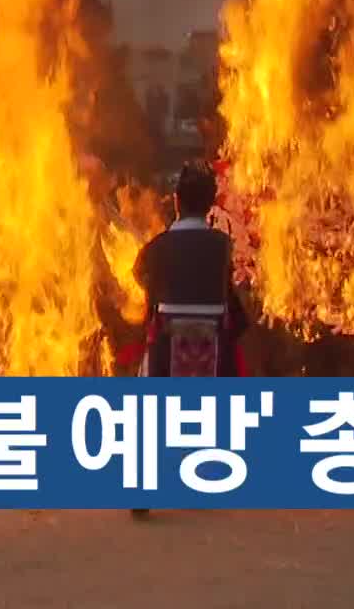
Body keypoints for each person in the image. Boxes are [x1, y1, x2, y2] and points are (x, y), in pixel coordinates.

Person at [127, 161, 246, 519]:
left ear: (176, 201)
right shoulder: (221, 245)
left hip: (167, 338)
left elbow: (140, 277)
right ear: (210, 204)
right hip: (213, 341)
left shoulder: (158, 247)